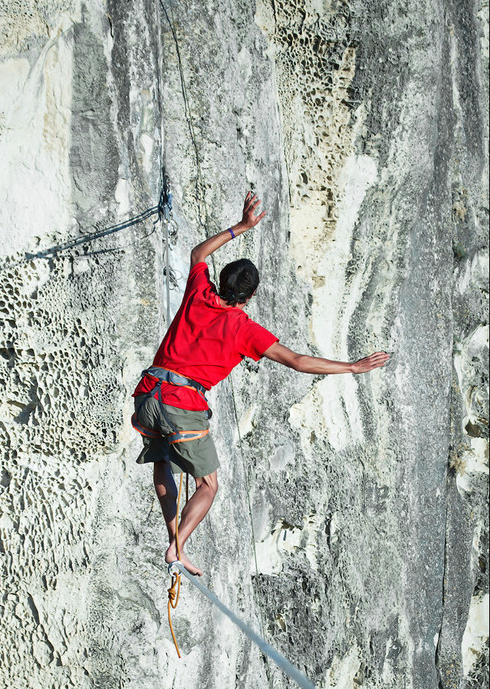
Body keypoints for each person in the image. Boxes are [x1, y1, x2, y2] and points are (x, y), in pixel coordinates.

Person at [132, 192, 390, 576]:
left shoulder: (199, 292)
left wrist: (242, 227)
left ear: (221, 283)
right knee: (208, 486)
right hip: (181, 403)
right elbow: (299, 362)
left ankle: (176, 544)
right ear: (251, 297)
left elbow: (198, 254)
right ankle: (177, 546)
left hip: (147, 394)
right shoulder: (244, 329)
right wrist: (353, 367)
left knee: (161, 462)